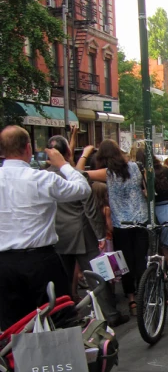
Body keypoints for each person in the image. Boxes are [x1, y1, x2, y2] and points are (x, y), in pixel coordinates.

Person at [0, 125, 90, 329]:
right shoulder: (41, 179)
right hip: (40, 261)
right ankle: (58, 360)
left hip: (4, 263)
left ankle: (21, 361)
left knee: (12, 328)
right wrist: (64, 164)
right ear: (28, 149)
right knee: (59, 322)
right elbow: (83, 189)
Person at [47, 136, 128, 326]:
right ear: (67, 153)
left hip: (57, 234)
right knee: (97, 275)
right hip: (82, 232)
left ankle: (65, 318)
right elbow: (90, 208)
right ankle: (110, 314)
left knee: (63, 279)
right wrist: (100, 234)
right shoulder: (75, 176)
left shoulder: (44, 176)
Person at [79, 140, 148, 316]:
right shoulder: (135, 167)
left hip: (120, 224)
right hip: (140, 220)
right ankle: (144, 295)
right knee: (140, 260)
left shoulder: (107, 174)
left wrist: (85, 153)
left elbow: (78, 173)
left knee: (125, 263)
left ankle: (132, 299)